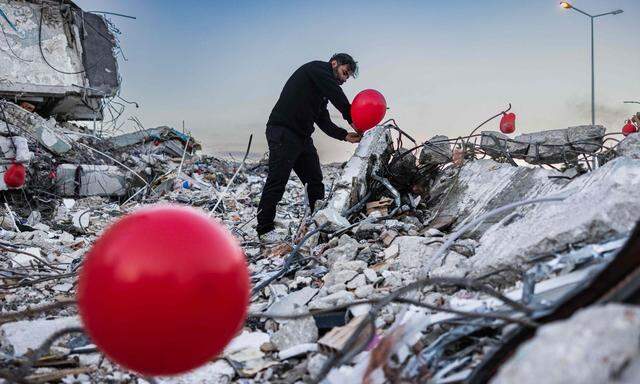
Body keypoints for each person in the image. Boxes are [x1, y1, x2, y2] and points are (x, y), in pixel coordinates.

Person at [257, 53, 361, 243]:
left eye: (347, 77)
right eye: (345, 73)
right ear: (334, 63)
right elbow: (335, 93)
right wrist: (351, 116)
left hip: (302, 137)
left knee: (315, 180)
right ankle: (264, 230)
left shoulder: (320, 94)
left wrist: (344, 135)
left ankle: (318, 223)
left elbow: (323, 120)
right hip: (283, 131)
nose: (345, 80)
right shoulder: (316, 69)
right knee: (277, 180)